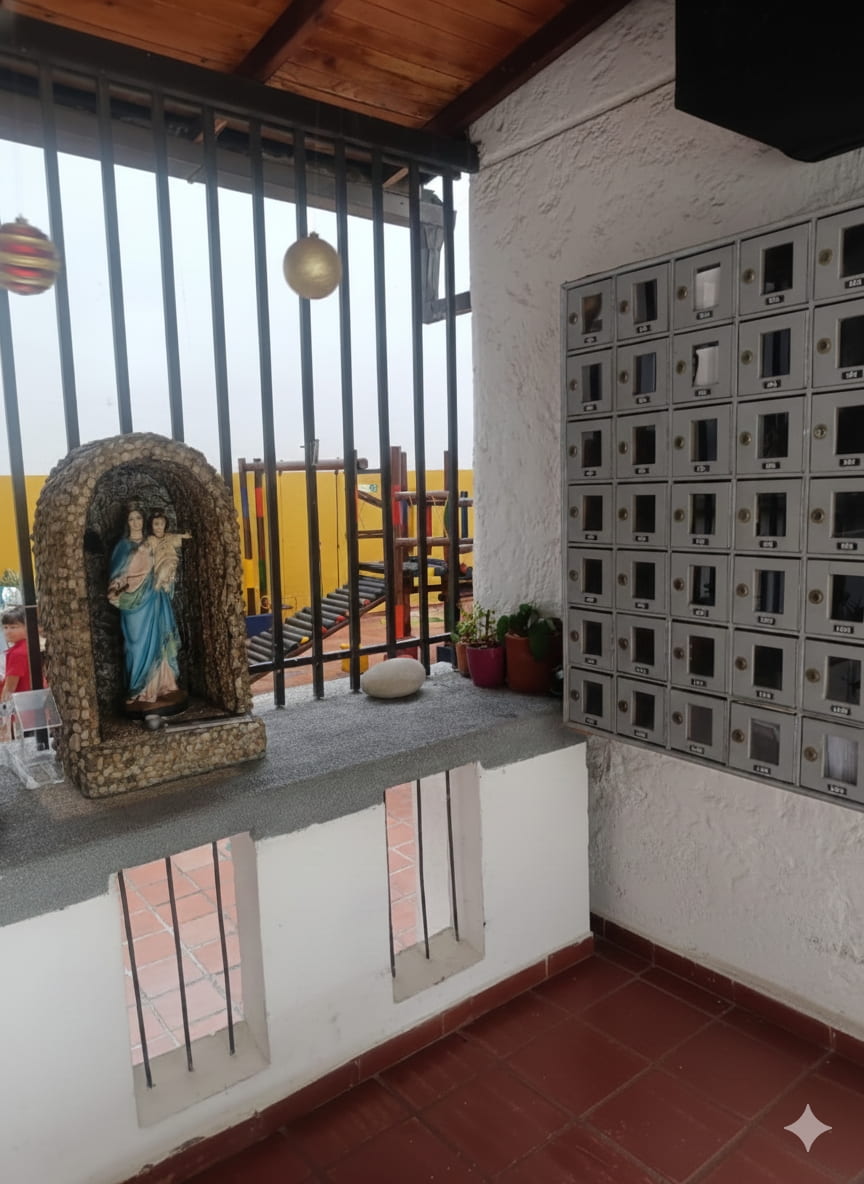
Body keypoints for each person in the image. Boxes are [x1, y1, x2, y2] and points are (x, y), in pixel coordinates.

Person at [107, 504, 187, 708]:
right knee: (135, 646)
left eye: (139, 518)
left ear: (145, 521)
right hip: (133, 603)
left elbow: (166, 563)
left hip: (155, 597)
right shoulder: (122, 547)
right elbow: (116, 576)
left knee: (159, 640)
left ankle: (163, 685)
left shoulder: (152, 542)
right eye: (131, 519)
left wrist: (166, 576)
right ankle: (137, 688)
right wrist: (117, 587)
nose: (136, 523)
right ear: (126, 522)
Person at [0, 605, 31, 740]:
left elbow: (9, 689)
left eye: (14, 627)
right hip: (31, 706)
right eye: (5, 627)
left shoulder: (17, 653)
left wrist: (3, 718)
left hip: (21, 710)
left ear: (26, 627)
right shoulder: (28, 646)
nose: (8, 631)